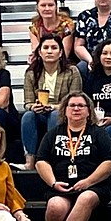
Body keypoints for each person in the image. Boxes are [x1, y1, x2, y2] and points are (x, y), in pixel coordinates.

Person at [36, 91, 111, 221]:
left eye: (81, 105)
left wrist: (88, 182)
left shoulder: (99, 133)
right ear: (65, 110)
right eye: (72, 105)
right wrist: (53, 183)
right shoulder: (53, 134)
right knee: (55, 206)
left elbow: (110, 162)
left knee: (85, 198)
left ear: (88, 111)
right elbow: (41, 161)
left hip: (92, 186)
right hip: (61, 185)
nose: (76, 109)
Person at [22, 34, 82, 170]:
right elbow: (27, 103)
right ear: (39, 52)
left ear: (60, 52)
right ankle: (30, 160)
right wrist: (34, 107)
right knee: (28, 116)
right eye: (46, 48)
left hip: (63, 112)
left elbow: (75, 101)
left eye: (54, 48)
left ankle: (53, 158)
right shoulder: (31, 73)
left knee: (55, 115)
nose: (49, 51)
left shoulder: (72, 71)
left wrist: (53, 107)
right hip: (39, 113)